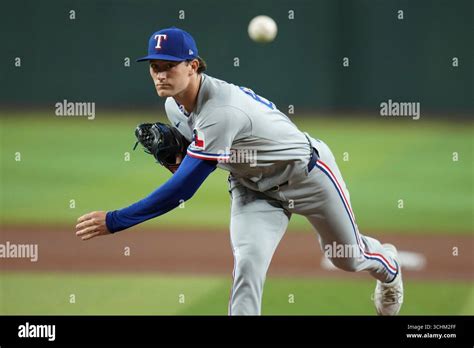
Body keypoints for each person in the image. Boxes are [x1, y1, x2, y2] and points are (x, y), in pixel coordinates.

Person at [75, 27, 404, 316]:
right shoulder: (173, 105)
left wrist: (116, 220)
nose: (160, 75)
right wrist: (177, 160)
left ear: (193, 66)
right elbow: (192, 165)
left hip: (308, 177)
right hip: (252, 188)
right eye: (155, 67)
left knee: (347, 258)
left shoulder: (222, 109)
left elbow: (182, 190)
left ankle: (389, 267)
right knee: (247, 265)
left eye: (169, 66)